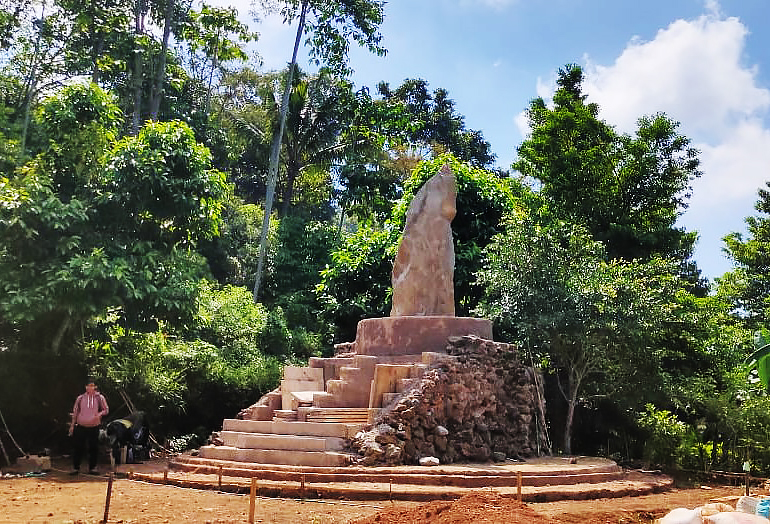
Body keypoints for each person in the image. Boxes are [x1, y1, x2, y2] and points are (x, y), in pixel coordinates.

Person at [68, 378, 109, 475]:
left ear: (95, 387)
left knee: (93, 447)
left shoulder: (100, 398)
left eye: (92, 386)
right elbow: (75, 412)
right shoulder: (80, 398)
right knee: (78, 447)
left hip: (94, 426)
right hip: (81, 425)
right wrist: (72, 426)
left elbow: (106, 410)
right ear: (85, 387)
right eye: (88, 386)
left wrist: (99, 414)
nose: (90, 388)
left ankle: (93, 468)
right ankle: (76, 468)